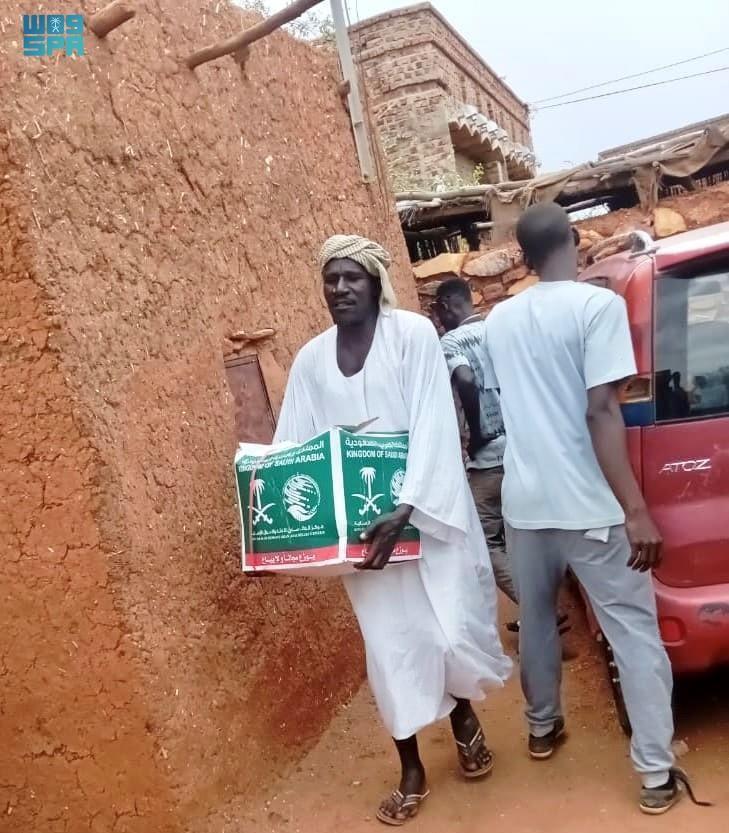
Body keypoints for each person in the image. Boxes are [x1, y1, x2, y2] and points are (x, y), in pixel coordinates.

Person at [274, 235, 511, 826]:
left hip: (422, 519)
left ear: (376, 280)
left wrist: (407, 506)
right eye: (331, 279)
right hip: (363, 536)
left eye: (352, 277)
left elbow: (433, 420)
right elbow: (294, 442)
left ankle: (461, 717)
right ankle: (410, 767)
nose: (340, 288)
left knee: (444, 631)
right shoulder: (309, 360)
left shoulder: (412, 336)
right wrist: (274, 503)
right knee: (389, 644)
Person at [481, 202, 708, 814]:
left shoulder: (498, 321)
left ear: (524, 257)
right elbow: (602, 410)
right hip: (593, 508)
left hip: (527, 506)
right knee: (633, 634)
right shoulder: (595, 307)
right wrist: (635, 510)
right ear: (576, 242)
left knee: (536, 620)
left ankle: (541, 727)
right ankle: (657, 775)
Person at [434, 278, 570, 637]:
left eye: (437, 310)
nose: (437, 318)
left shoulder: (450, 341)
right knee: (529, 534)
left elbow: (463, 378)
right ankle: (539, 610)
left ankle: (540, 609)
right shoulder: (499, 330)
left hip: (489, 460)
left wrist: (476, 435)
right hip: (526, 452)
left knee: (485, 540)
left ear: (448, 306)